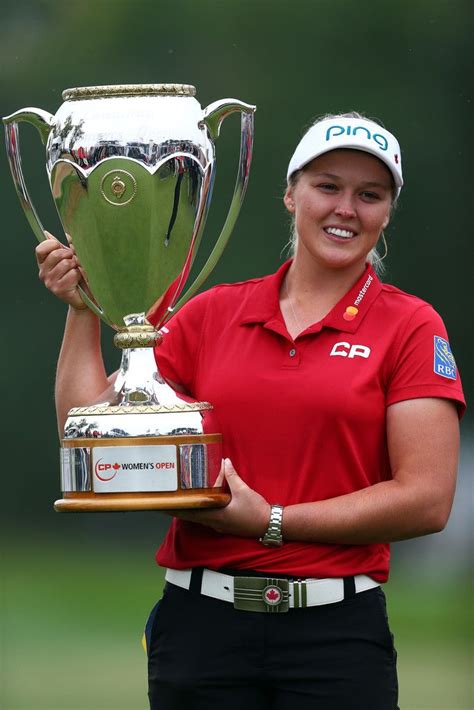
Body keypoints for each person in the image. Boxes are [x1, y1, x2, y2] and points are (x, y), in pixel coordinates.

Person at [36, 112, 465, 710]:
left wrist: (272, 521)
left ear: (388, 212)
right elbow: (91, 436)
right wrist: (83, 305)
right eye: (327, 186)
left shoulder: (412, 327)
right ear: (290, 195)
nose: (347, 208)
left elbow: (427, 497)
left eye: (370, 195)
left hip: (335, 634)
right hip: (201, 629)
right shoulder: (214, 313)